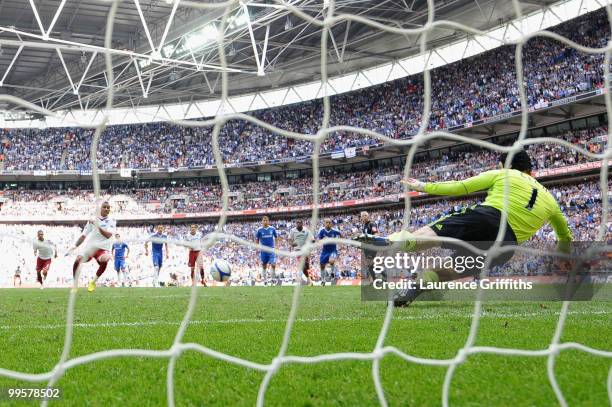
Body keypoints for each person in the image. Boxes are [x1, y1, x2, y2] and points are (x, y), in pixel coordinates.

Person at [388, 151, 572, 306]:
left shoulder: (504, 174)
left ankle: (394, 241)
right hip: (506, 245)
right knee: (449, 269)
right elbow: (565, 238)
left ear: (504, 165)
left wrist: (422, 186)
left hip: (487, 217)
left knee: (428, 236)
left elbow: (460, 187)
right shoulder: (551, 201)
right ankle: (414, 289)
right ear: (530, 169)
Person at [70, 201, 116, 292]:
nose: (107, 209)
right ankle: (75, 284)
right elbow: (83, 236)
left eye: (108, 207)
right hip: (91, 247)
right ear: (100, 208)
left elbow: (108, 235)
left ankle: (93, 282)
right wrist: (74, 246)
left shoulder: (112, 220)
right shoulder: (92, 220)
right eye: (105, 207)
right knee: (78, 259)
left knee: (106, 259)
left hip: (103, 248)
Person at [289, 219, 314, 284]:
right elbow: (289, 240)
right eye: (297, 223)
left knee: (307, 265)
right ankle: (309, 279)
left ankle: (309, 279)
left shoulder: (306, 230)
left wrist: (312, 241)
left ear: (302, 224)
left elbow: (312, 238)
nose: (298, 224)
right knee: (302, 265)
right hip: (298, 250)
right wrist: (292, 244)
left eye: (299, 223)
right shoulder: (292, 231)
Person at [255, 216, 278, 285]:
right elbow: (257, 239)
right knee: (264, 265)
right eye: (264, 220)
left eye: (266, 220)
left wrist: (276, 246)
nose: (265, 221)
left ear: (268, 221)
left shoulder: (272, 229)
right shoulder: (259, 230)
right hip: (263, 250)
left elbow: (276, 237)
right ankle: (265, 280)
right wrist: (257, 247)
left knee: (273, 264)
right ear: (262, 221)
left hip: (271, 250)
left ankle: (273, 279)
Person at [318, 218, 341, 284]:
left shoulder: (335, 230)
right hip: (325, 251)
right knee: (322, 265)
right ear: (324, 223)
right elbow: (319, 240)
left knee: (331, 261)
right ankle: (323, 280)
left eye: (329, 222)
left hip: (333, 250)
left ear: (331, 223)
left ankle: (332, 273)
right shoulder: (321, 231)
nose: (328, 224)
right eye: (327, 222)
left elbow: (341, 235)